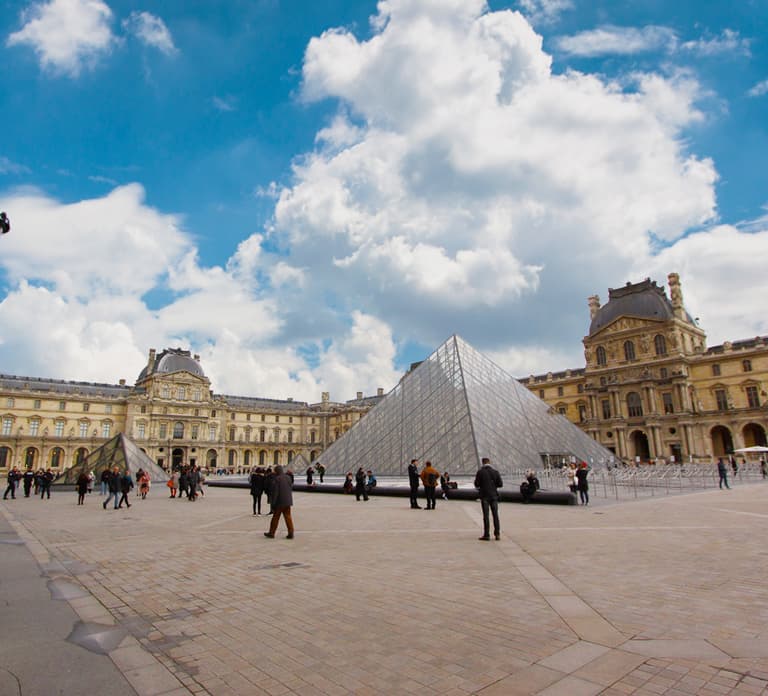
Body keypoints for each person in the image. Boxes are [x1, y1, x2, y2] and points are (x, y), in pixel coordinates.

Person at [474, 457, 503, 540]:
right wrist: (493, 486)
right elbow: (500, 484)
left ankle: (487, 534)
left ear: (482, 463)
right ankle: (497, 534)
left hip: (484, 496)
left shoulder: (480, 472)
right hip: (494, 496)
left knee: (486, 516)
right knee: (495, 515)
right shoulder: (495, 472)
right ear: (489, 462)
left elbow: (476, 484)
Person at [264, 465, 294, 539]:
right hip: (288, 501)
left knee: (275, 518)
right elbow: (290, 488)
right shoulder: (288, 477)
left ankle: (271, 533)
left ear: (277, 471)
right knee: (288, 517)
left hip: (279, 502)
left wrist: (273, 504)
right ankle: (291, 532)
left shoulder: (277, 479)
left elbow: (276, 492)